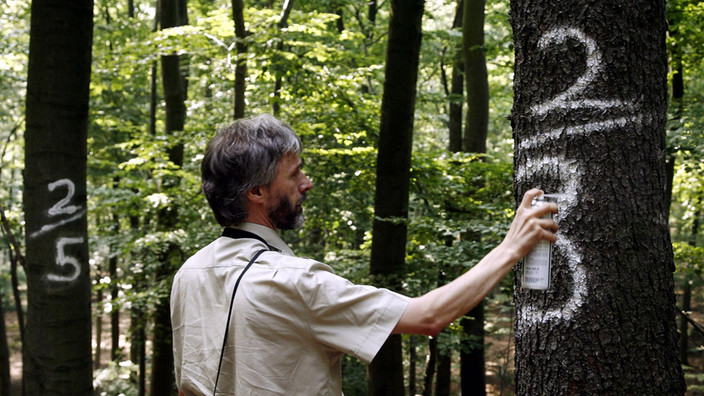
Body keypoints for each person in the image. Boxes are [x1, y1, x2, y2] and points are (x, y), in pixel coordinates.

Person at [171, 114, 558, 396]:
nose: (307, 184)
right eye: (293, 175)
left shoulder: (188, 274)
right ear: (255, 193)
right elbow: (428, 316)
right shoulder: (292, 281)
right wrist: (511, 247)